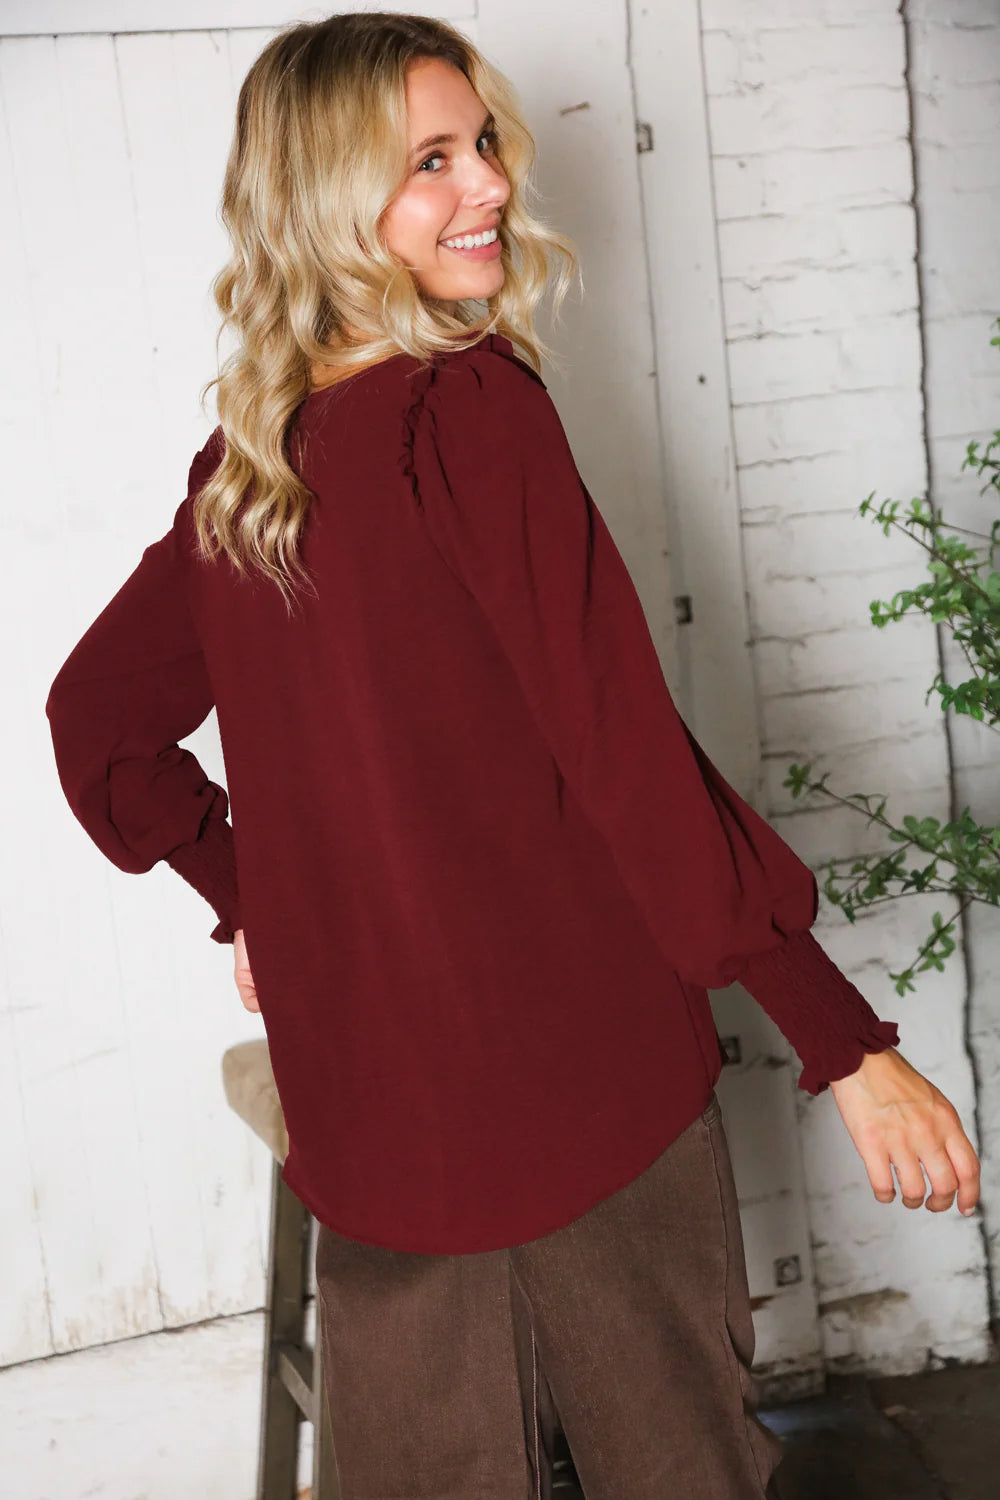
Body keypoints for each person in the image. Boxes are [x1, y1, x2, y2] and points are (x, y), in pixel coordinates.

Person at [44, 13, 981, 1500]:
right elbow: (628, 761)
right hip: (583, 1087)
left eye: (480, 143)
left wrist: (249, 895)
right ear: (327, 199)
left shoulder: (248, 469)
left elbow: (93, 727)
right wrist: (843, 1038)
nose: (486, 184)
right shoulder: (464, 411)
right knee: (679, 1471)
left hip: (376, 1125)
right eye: (429, 161)